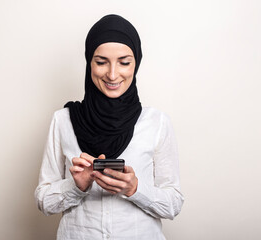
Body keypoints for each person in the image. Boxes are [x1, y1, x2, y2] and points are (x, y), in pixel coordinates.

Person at [34, 14, 184, 240]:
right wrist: (77, 187)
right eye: (101, 62)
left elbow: (173, 203)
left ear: (137, 63)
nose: (112, 74)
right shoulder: (63, 120)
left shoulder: (156, 122)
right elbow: (44, 201)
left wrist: (135, 189)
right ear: (89, 62)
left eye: (124, 62)